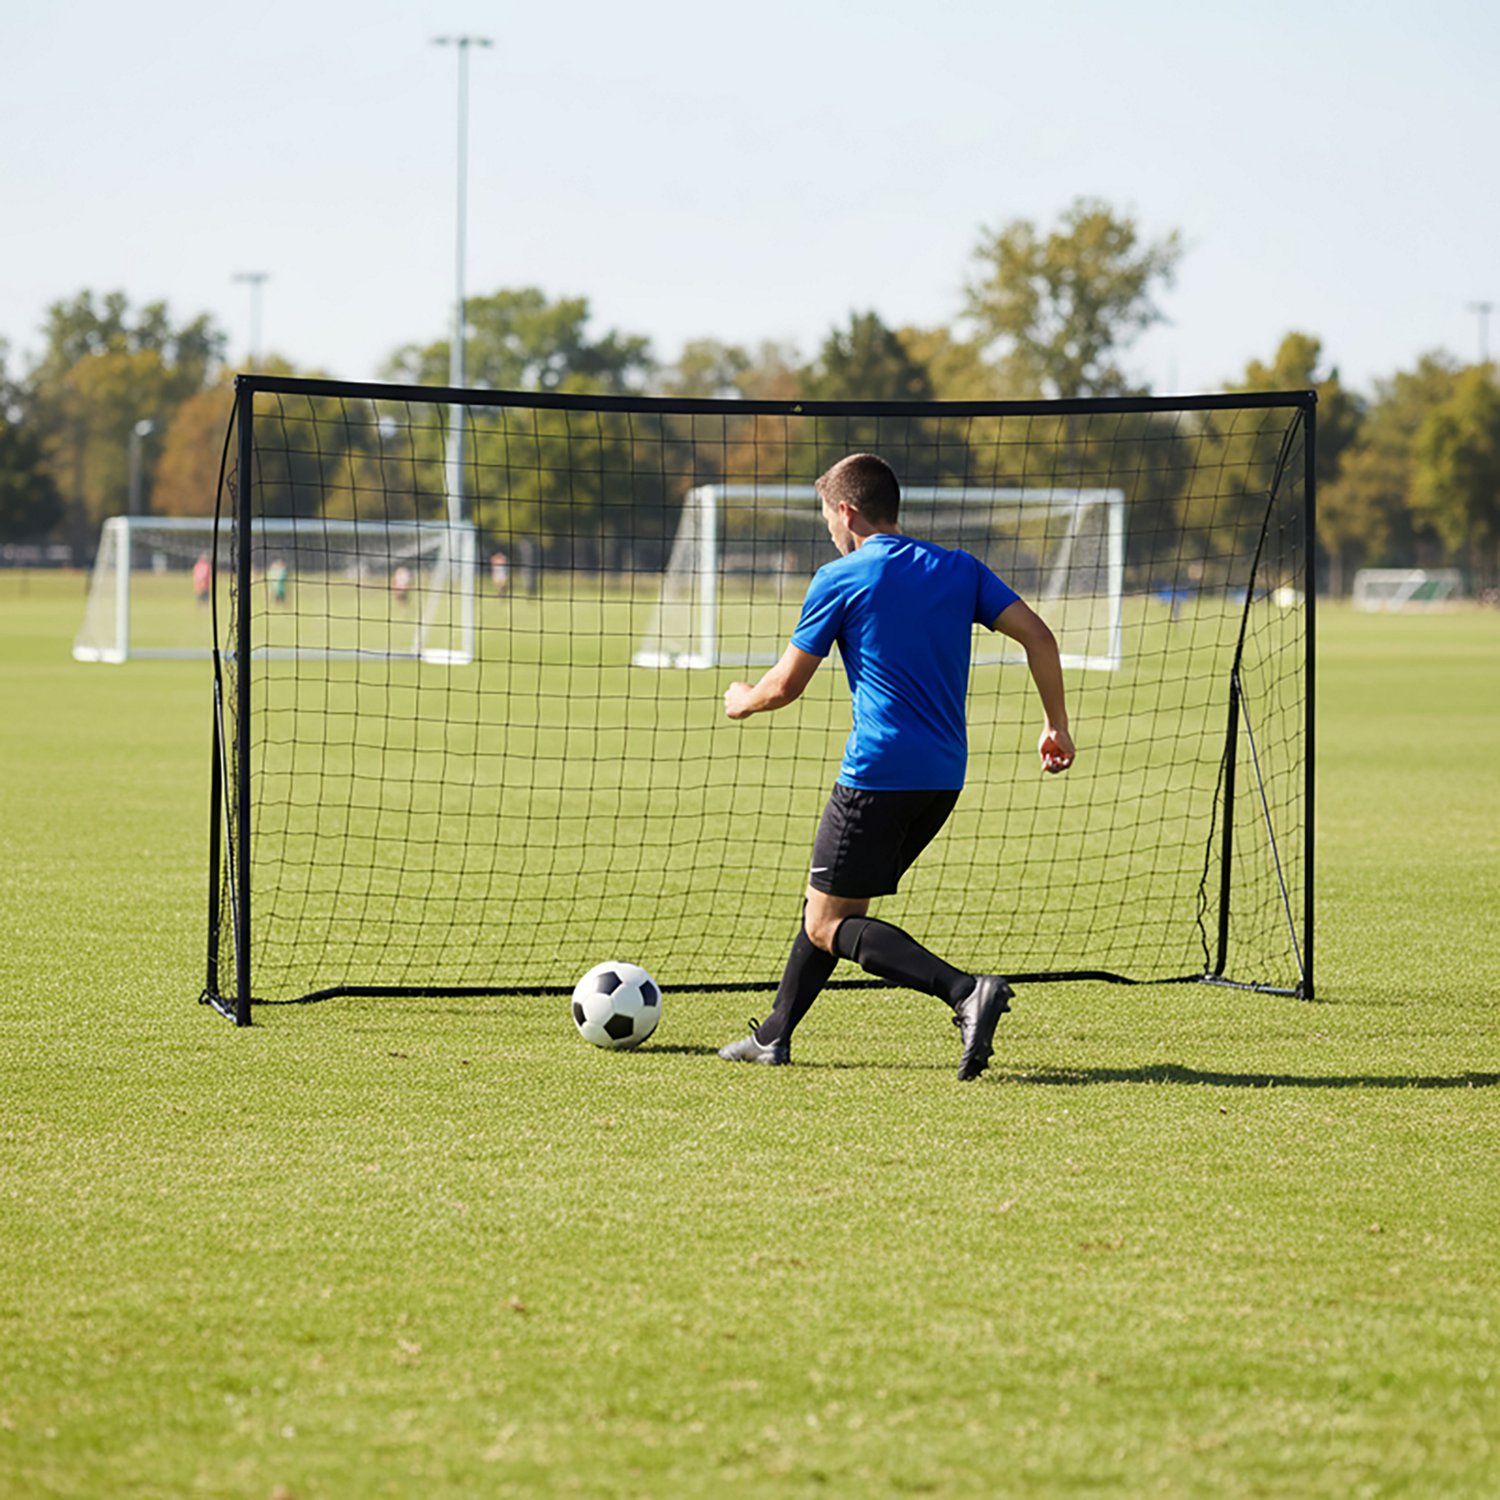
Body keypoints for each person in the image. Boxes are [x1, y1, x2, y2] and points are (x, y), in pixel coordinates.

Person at [718, 453, 1076, 1081]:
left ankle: (965, 991)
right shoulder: (960, 568)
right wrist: (1055, 725)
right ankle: (773, 1035)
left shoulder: (841, 576)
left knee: (829, 923)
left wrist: (742, 700)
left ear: (847, 510)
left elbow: (784, 686)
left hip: (877, 774)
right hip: (943, 778)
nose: (830, 529)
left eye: (828, 517)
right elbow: (1039, 637)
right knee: (830, 904)